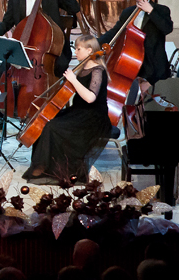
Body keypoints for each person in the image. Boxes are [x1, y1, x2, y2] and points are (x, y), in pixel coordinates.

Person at [22, 35, 112, 184]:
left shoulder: (97, 70)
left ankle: (53, 168)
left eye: (79, 49)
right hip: (78, 112)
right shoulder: (83, 66)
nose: (75, 52)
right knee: (46, 121)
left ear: (90, 50)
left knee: (53, 127)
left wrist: (74, 80)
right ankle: (42, 165)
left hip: (92, 117)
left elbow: (90, 98)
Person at [99, 0, 174, 90]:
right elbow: (115, 32)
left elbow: (167, 29)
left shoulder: (161, 10)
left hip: (154, 70)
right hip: (132, 66)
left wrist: (151, 11)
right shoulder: (128, 12)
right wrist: (95, 44)